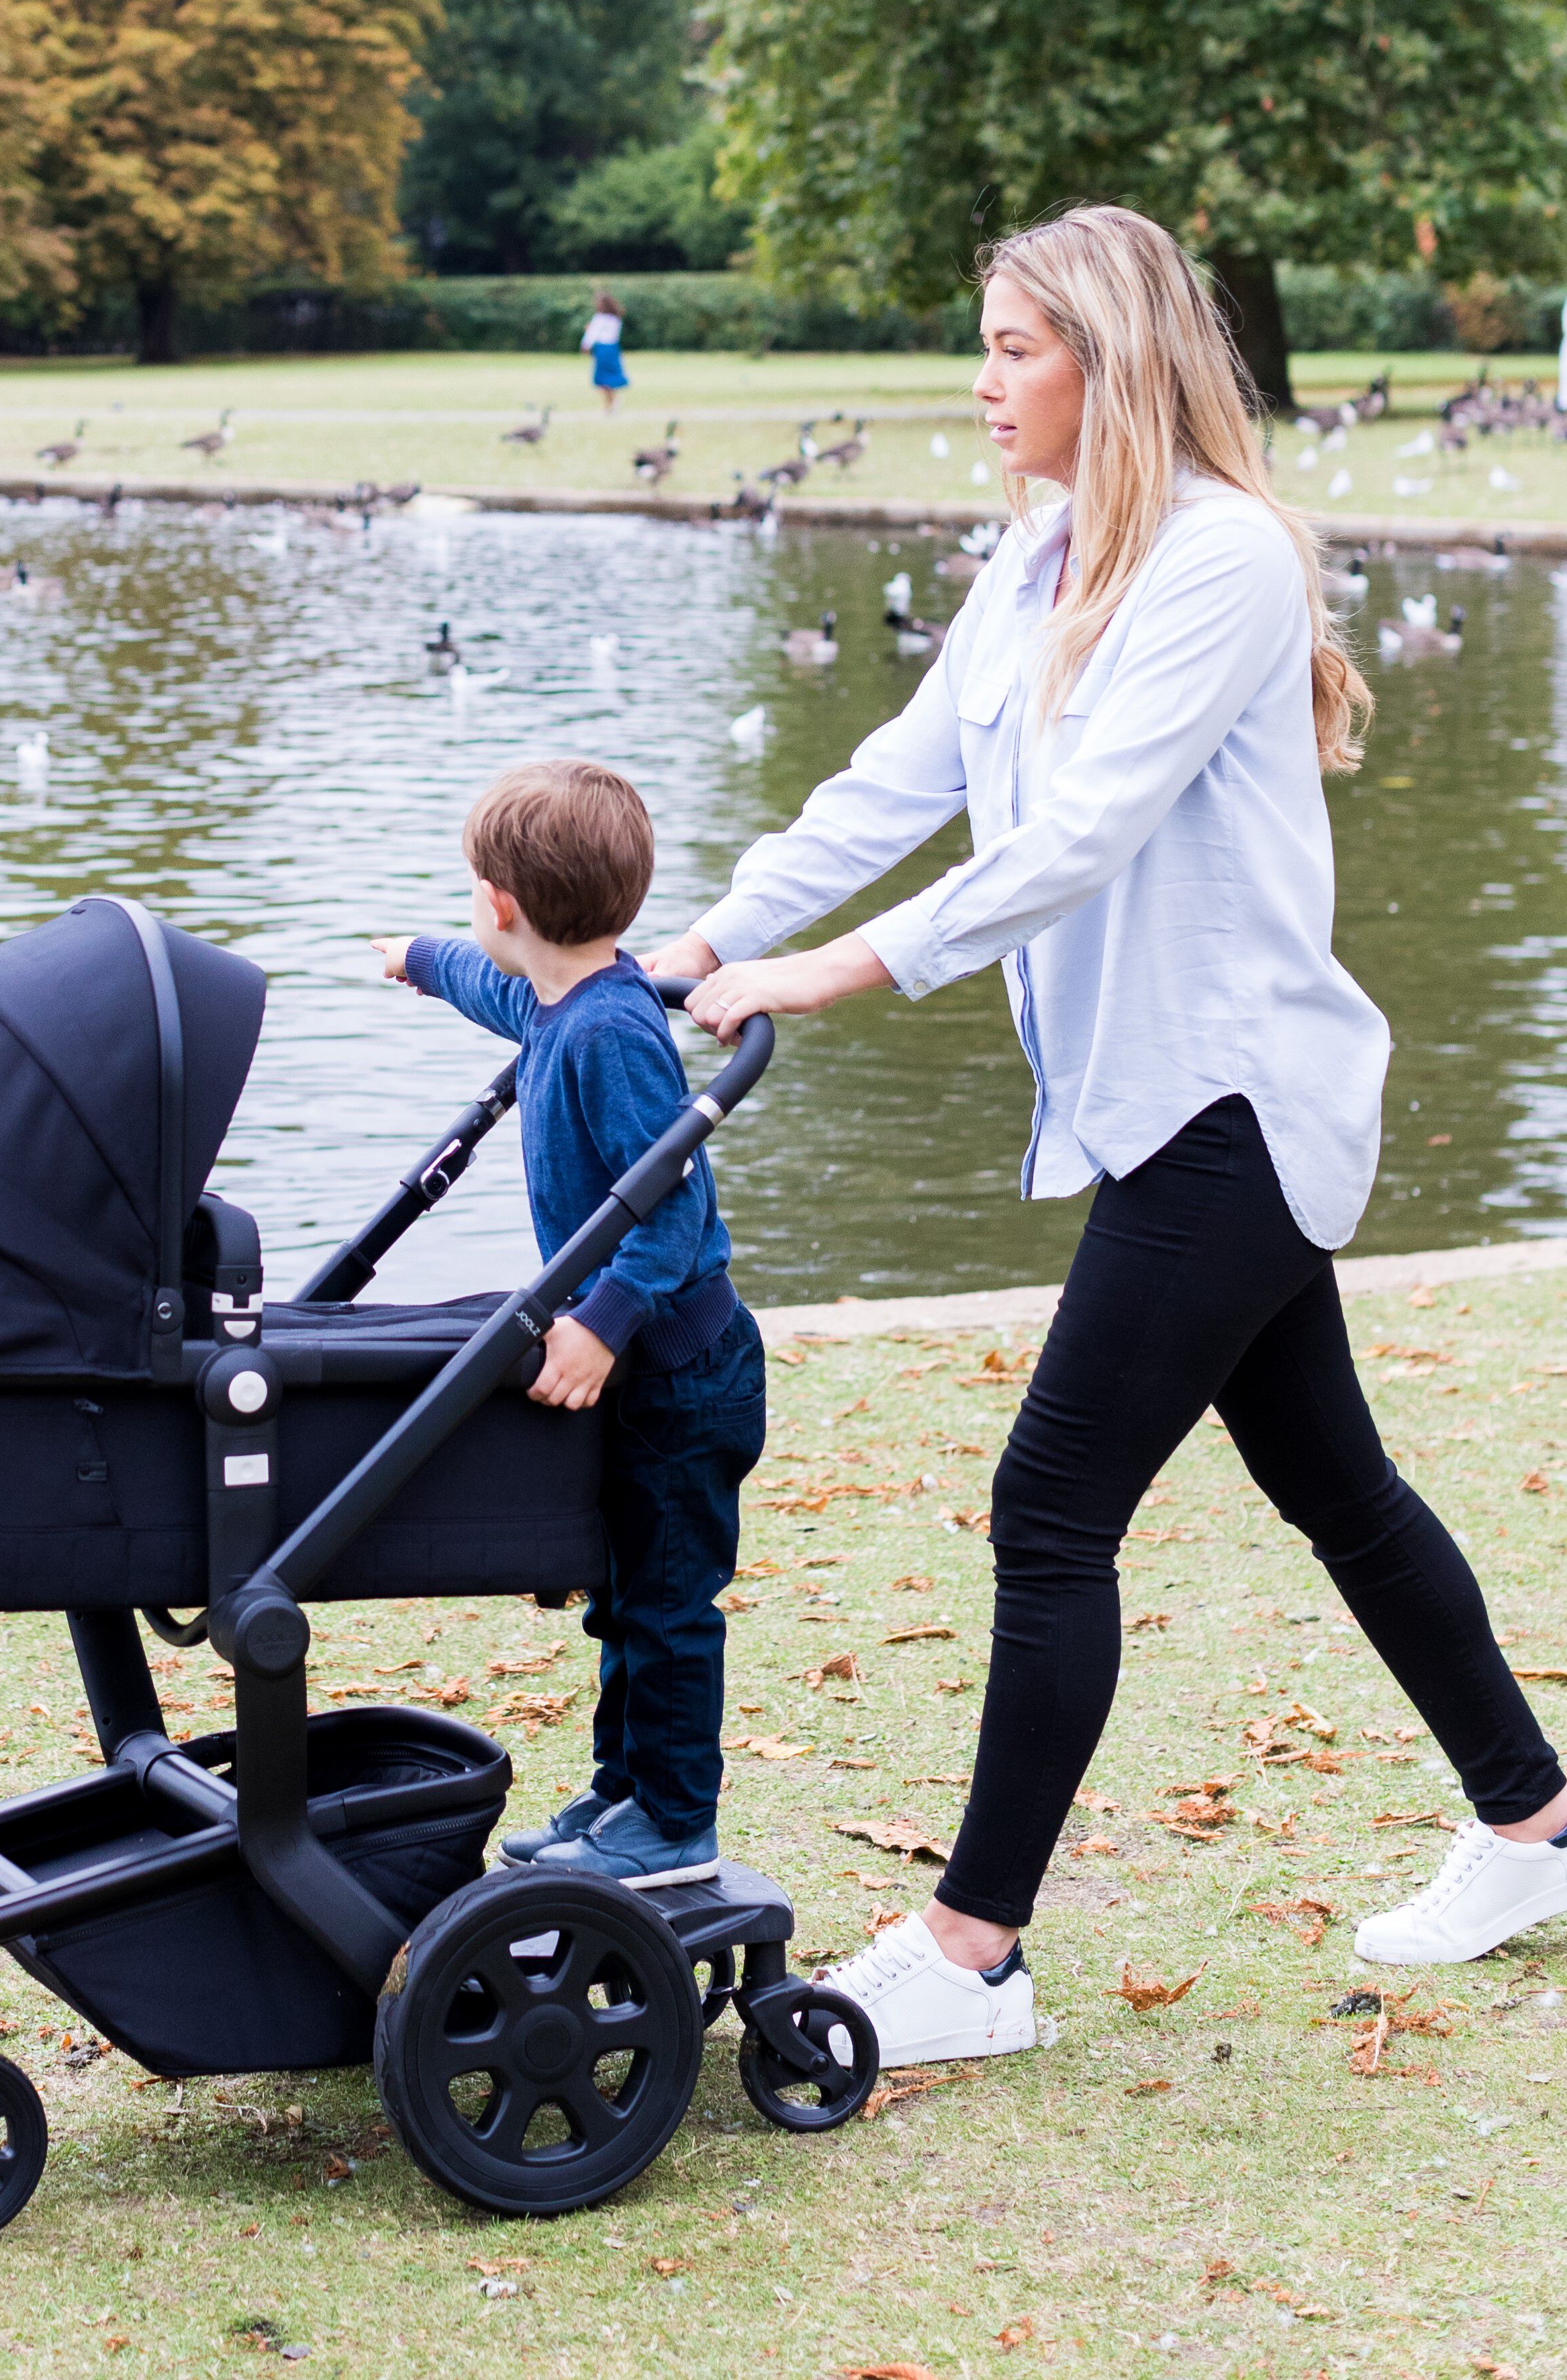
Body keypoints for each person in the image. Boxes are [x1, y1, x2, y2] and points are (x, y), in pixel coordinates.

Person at [647, 202, 1567, 2067]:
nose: (982, 383)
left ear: (1111, 361)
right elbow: (897, 777)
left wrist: (822, 982)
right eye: (982, 345)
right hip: (1161, 1111)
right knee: (1340, 1489)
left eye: (1015, 349)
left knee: (1047, 1507)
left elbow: (1081, 839)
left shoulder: (1224, 561)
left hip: (1234, 1099)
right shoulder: (1041, 554)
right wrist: (712, 934)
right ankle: (1538, 1823)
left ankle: (976, 1954)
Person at [375, 760, 766, 1888]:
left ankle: (677, 1818)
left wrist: (600, 1319)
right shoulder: (549, 994)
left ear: (502, 903)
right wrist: (416, 959)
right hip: (644, 1365)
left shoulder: (611, 1034)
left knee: (668, 1604)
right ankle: (623, 1787)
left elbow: (673, 1204)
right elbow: (479, 978)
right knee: (621, 1591)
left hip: (684, 1369)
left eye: (469, 900)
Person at [581, 291, 628, 413]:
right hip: (613, 349)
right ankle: (613, 403)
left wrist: (585, 346)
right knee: (611, 378)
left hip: (603, 349)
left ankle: (610, 405)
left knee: (603, 378)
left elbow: (592, 335)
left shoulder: (599, 318)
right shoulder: (616, 318)